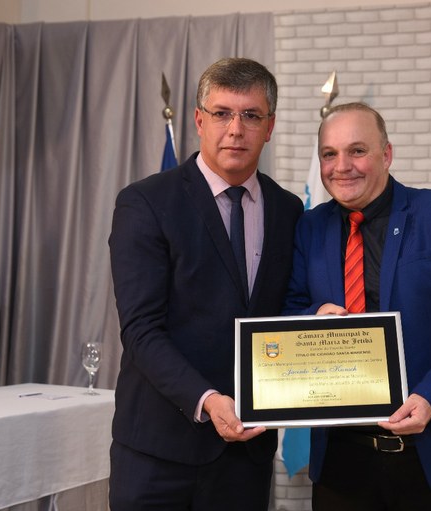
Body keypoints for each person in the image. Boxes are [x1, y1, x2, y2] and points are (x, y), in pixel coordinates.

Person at [282, 102, 431, 510]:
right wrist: (313, 317)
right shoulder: (310, 226)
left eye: (357, 151)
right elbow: (291, 309)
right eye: (329, 154)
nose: (342, 166)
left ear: (386, 155)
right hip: (341, 460)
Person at [108, 57, 303, 510]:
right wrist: (208, 400)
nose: (236, 129)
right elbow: (140, 329)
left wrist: (317, 321)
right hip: (159, 453)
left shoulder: (289, 210)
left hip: (246, 456)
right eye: (222, 113)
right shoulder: (145, 202)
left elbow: (282, 313)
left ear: (269, 126)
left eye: (251, 115)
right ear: (199, 120)